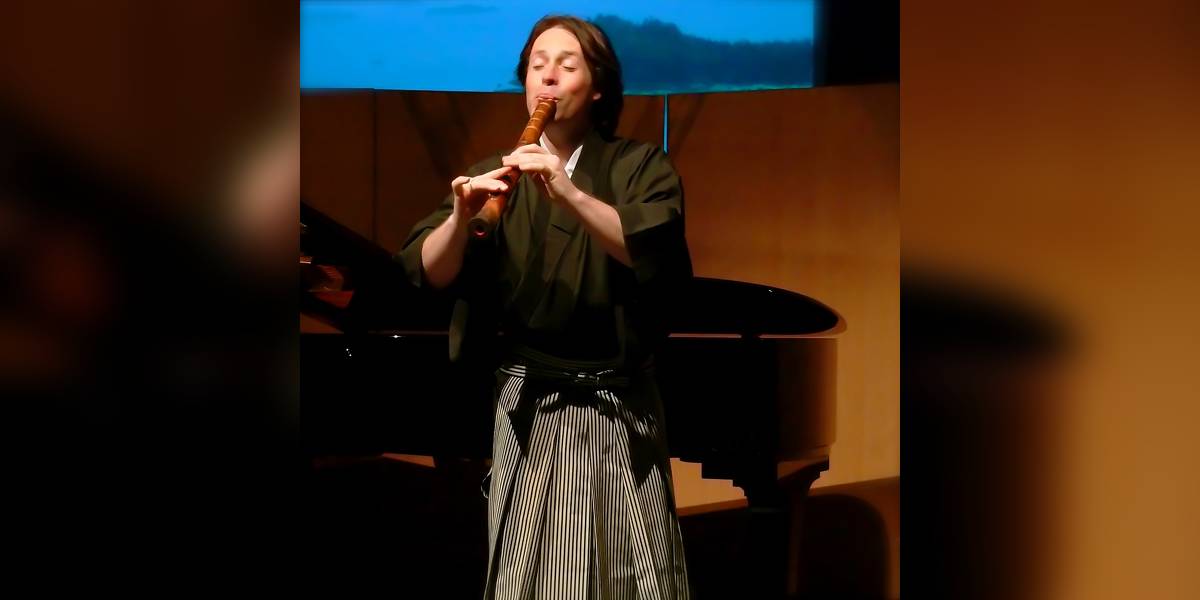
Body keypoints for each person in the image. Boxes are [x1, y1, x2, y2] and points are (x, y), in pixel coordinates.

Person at [397, 15, 692, 599]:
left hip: (615, 406)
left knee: (629, 573)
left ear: (598, 86)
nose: (548, 76)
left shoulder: (640, 168)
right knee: (531, 574)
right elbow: (427, 269)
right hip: (529, 403)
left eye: (566, 64)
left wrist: (568, 191)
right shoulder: (493, 173)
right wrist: (460, 218)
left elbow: (650, 249)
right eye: (537, 65)